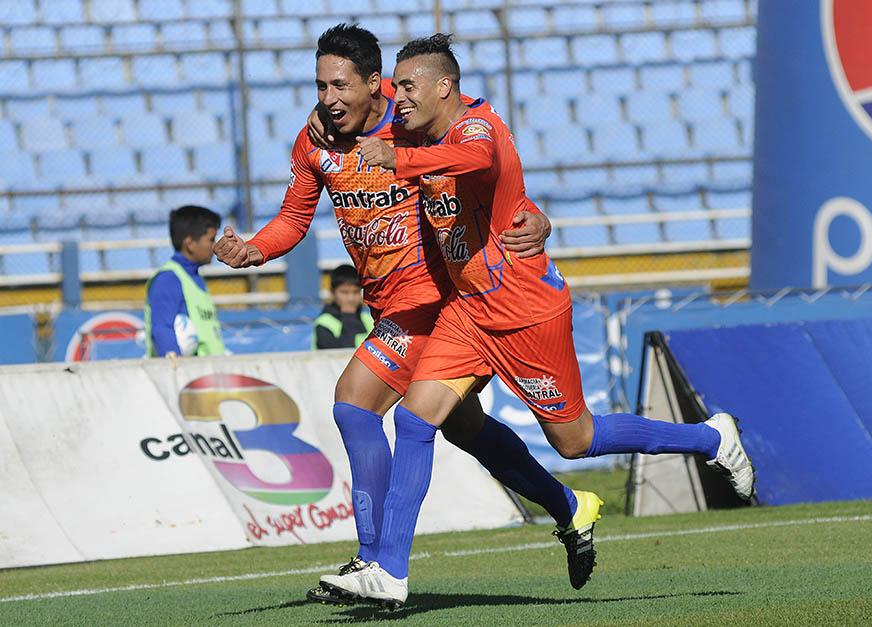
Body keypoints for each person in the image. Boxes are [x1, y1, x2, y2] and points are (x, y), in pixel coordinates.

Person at [319, 34, 755, 609]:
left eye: (407, 86)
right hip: (466, 312)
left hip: (526, 313)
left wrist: (400, 159)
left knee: (576, 440)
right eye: (394, 86)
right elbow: (361, 130)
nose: (397, 98)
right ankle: (389, 572)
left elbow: (479, 159)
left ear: (443, 87)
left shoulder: (476, 126)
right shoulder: (407, 130)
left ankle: (710, 438)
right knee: (417, 418)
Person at [212, 24, 603, 599]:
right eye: (320, 86)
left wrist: (538, 218)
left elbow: (481, 165)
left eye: (340, 85)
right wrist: (252, 249)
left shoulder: (412, 120)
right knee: (466, 430)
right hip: (388, 307)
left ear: (376, 86)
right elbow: (295, 217)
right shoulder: (316, 142)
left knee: (355, 403)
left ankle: (374, 559)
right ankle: (569, 504)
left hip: (437, 304)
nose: (328, 99)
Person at [145, 205, 224, 357]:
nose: (214, 246)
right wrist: (178, 374)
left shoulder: (194, 279)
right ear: (190, 244)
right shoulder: (168, 280)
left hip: (211, 374)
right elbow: (162, 329)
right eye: (211, 239)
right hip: (190, 377)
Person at [314, 264, 374, 350]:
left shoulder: (369, 320)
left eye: (356, 292)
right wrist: (348, 316)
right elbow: (340, 355)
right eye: (344, 292)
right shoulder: (324, 323)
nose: (351, 298)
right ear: (332, 293)